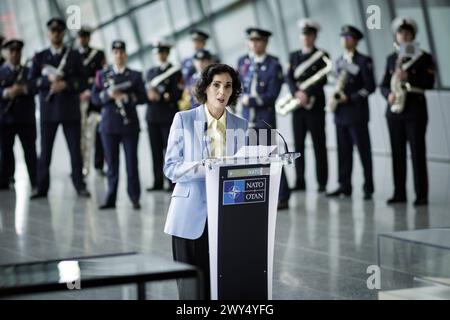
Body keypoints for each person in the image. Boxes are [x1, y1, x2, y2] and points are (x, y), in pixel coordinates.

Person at [164, 63, 248, 299]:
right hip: (189, 218)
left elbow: (241, 172)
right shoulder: (184, 119)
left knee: (221, 290)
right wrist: (205, 167)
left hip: (226, 219)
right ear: (206, 88)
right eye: (216, 85)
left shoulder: (241, 125)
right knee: (191, 293)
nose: (222, 92)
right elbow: (171, 168)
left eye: (228, 86)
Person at [29, 18, 90, 199]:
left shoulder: (74, 56)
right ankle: (41, 187)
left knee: (75, 151)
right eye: (53, 31)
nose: (56, 34)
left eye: (59, 31)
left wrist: (66, 85)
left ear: (63, 33)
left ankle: (79, 185)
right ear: (48, 33)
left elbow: (83, 81)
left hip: (70, 111)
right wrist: (46, 81)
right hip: (48, 112)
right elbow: (31, 83)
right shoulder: (39, 57)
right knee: (45, 151)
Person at [380, 18, 436, 206]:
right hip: (394, 111)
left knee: (417, 153)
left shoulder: (423, 57)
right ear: (396, 35)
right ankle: (399, 193)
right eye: (400, 32)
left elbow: (429, 82)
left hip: (414, 111)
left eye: (407, 33)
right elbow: (382, 85)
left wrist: (409, 76)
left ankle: (421, 195)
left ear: (413, 35)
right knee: (397, 153)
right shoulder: (390, 59)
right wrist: (388, 94)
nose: (404, 36)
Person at [237, 27, 291, 209]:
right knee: (249, 158)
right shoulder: (243, 62)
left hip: (264, 118)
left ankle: (282, 195)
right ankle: (254, 195)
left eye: (258, 40)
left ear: (265, 43)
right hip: (246, 118)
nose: (253, 44)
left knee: (270, 157)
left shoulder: (273, 65)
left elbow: (272, 95)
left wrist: (250, 99)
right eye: (251, 40)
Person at [91, 40, 147, 210]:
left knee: (132, 163)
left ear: (126, 54)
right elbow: (95, 99)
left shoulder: (135, 75)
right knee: (112, 165)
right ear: (112, 54)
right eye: (115, 52)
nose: (119, 55)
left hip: (129, 125)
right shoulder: (102, 74)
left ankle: (135, 197)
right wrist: (108, 95)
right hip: (108, 127)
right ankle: (110, 198)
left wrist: (127, 98)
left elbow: (143, 98)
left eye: (121, 52)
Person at [326, 25, 376, 200]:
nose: (345, 40)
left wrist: (351, 97)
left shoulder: (364, 61)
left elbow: (370, 87)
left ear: (355, 40)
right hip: (340, 113)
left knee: (363, 151)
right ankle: (344, 185)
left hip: (357, 113)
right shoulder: (339, 60)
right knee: (343, 152)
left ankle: (368, 187)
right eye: (343, 37)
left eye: (348, 37)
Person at [286, 19, 329, 192]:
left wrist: (307, 93)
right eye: (304, 34)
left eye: (309, 35)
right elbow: (289, 78)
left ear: (315, 36)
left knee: (319, 145)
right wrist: (296, 93)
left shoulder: (322, 55)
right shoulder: (294, 56)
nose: (306, 38)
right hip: (297, 107)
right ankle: (300, 181)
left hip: (315, 108)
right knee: (298, 146)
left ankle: (322, 182)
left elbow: (323, 78)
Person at [145, 40, 183, 192]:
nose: (160, 55)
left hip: (167, 116)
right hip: (152, 116)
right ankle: (157, 181)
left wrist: (160, 96)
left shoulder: (175, 71)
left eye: (163, 52)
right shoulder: (150, 72)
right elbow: (145, 92)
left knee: (169, 151)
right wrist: (150, 95)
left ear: (167, 53)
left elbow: (177, 93)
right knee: (155, 150)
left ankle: (171, 182)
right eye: (158, 52)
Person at [0, 39, 37, 190]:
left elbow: (36, 86)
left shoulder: (28, 71)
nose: (15, 54)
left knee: (30, 151)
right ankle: (5, 179)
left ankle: (35, 181)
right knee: (6, 151)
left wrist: (22, 90)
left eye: (17, 51)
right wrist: (7, 92)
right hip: (5, 118)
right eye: (12, 51)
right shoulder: (1, 71)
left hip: (25, 118)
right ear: (7, 53)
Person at [77, 26, 107, 177]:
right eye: (81, 36)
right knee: (80, 136)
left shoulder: (98, 54)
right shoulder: (73, 55)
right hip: (79, 101)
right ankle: (81, 167)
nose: (83, 39)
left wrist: (91, 90)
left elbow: (101, 77)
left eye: (85, 36)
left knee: (98, 133)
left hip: (93, 100)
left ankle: (99, 165)